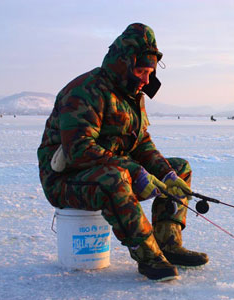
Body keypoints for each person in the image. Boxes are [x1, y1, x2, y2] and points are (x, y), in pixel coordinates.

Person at [37, 23, 208, 281]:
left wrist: (168, 175)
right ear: (123, 64)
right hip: (65, 179)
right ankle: (148, 256)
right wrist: (134, 171)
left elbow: (141, 145)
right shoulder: (85, 90)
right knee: (114, 179)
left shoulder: (132, 94)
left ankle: (168, 245)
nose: (146, 80)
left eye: (150, 73)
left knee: (180, 169)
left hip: (113, 172)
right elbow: (78, 150)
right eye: (141, 71)